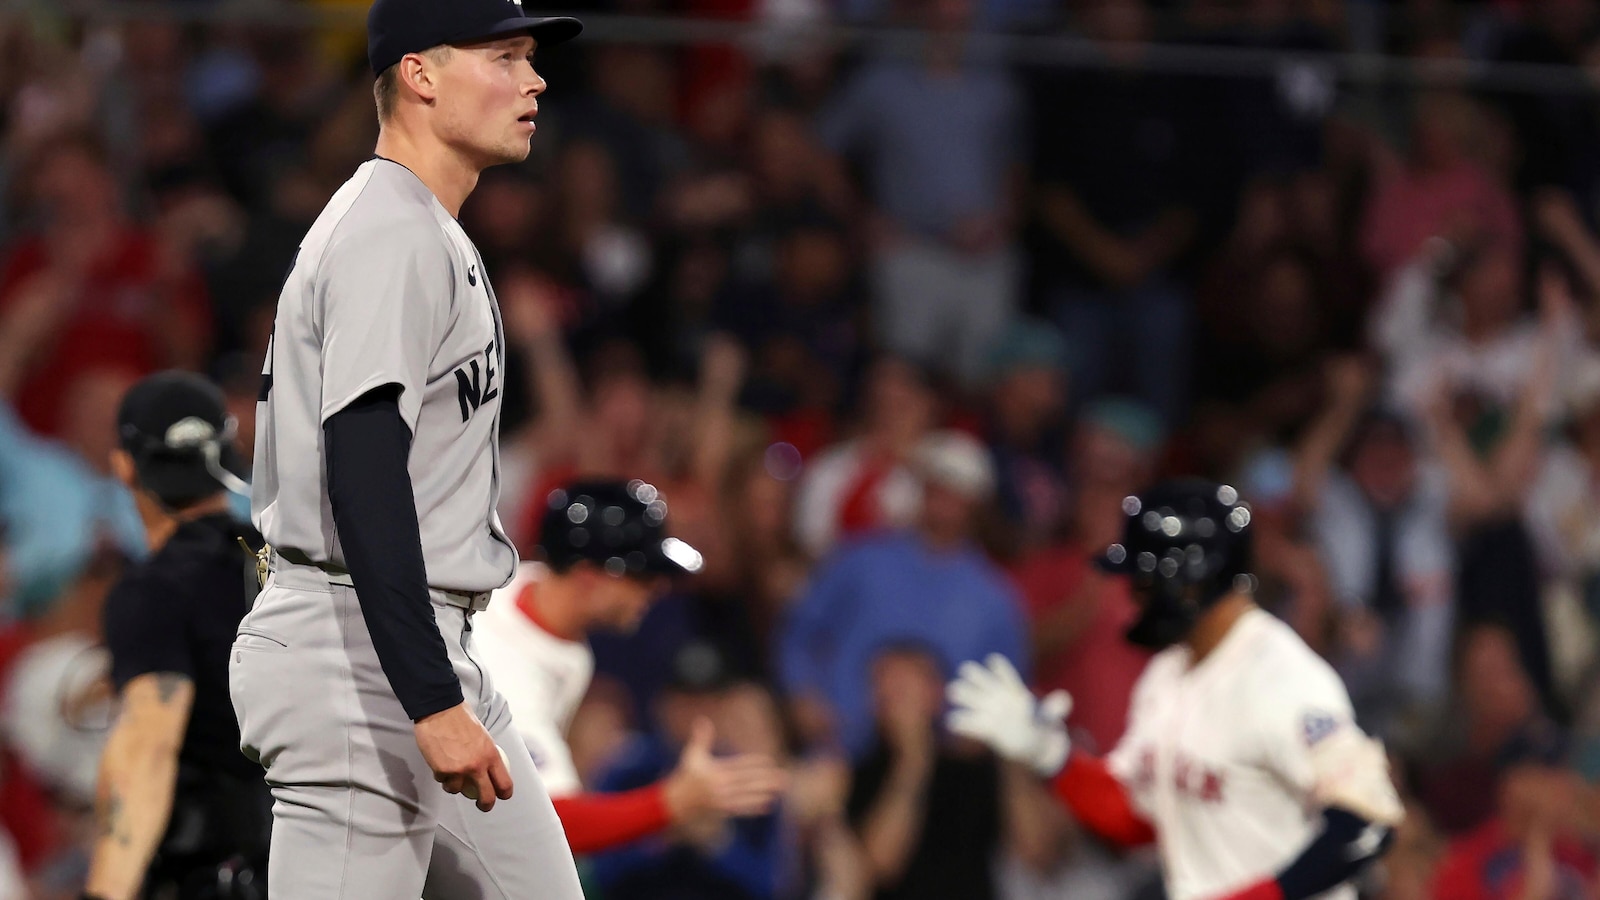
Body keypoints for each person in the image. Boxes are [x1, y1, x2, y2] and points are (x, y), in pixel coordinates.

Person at [232, 0, 588, 895]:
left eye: (530, 58)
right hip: (355, 645)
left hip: (416, 639)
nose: (533, 78)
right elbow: (364, 472)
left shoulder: (423, 227)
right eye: (504, 56)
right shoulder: (388, 229)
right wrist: (430, 699)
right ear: (420, 75)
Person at [946, 480, 1406, 900]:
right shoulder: (1166, 675)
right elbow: (1141, 819)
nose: (1133, 596)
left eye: (1145, 581)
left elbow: (1365, 826)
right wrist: (1053, 756)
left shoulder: (1285, 678)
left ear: (1189, 583)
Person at [471, 479, 787, 853]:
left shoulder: (524, 589)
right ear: (587, 578)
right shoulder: (508, 671)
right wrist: (673, 801)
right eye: (641, 575)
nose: (657, 588)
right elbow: (547, 826)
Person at [84, 371, 268, 900]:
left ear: (124, 466)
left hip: (227, 876)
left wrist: (106, 892)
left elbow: (148, 745)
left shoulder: (154, 590)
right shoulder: (287, 563)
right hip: (336, 860)